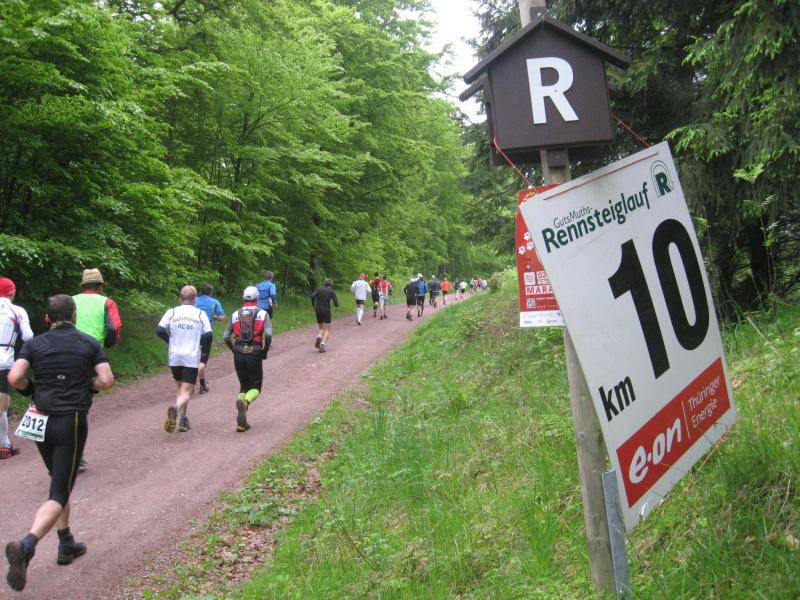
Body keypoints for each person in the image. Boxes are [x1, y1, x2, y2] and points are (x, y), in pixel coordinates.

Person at [4, 294, 114, 591]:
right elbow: (106, 380)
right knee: (59, 492)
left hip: (40, 418)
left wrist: (32, 389)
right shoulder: (89, 343)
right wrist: (87, 386)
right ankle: (27, 545)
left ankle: (66, 543)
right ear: (74, 316)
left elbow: (14, 377)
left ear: (47, 319)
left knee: (58, 479)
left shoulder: (34, 344)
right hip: (70, 419)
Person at [156, 286, 212, 433]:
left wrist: (170, 341)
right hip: (191, 356)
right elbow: (208, 334)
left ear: (180, 298)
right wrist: (204, 353)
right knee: (187, 391)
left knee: (180, 387)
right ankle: (176, 408)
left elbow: (159, 329)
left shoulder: (172, 312)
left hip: (175, 355)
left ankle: (183, 419)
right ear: (195, 299)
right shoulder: (200, 313)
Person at [223, 287, 271, 432]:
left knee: (244, 386)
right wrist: (264, 351)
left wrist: (233, 349)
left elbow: (226, 337)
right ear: (257, 299)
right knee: (255, 388)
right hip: (254, 352)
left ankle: (241, 424)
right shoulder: (263, 313)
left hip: (238, 352)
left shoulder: (235, 314)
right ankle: (245, 402)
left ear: (243, 298)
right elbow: (268, 335)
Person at [0, 278, 34, 460]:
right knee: (1, 404)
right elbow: (28, 336)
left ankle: (4, 444)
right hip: (4, 360)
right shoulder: (17, 311)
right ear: (12, 293)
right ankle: (4, 445)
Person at [72, 269, 122, 348]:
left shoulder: (70, 300)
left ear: (83, 288)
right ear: (100, 287)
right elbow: (113, 328)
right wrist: (108, 343)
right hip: (95, 348)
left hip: (72, 346)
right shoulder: (107, 302)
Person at [195, 283, 226, 394]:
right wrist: (214, 317)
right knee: (202, 361)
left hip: (192, 333)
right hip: (206, 334)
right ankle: (201, 384)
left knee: (192, 358)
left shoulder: (194, 300)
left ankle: (195, 383)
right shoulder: (214, 302)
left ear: (200, 291)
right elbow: (222, 317)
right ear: (211, 292)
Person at [311, 278, 338, 353]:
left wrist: (313, 305)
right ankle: (322, 345)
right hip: (326, 310)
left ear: (324, 283)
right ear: (331, 284)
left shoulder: (319, 289)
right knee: (327, 329)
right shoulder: (331, 291)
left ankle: (319, 336)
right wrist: (332, 303)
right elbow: (336, 304)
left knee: (321, 327)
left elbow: (312, 296)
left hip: (318, 310)